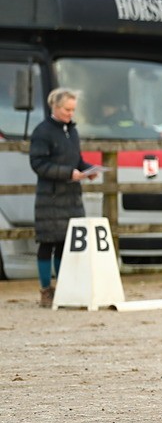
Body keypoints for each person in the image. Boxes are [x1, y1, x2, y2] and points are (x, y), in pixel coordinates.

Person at [28, 88, 98, 307]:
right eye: (67, 109)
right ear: (55, 107)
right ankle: (45, 290)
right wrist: (68, 173)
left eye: (73, 110)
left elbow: (77, 160)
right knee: (47, 244)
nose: (71, 113)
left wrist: (88, 169)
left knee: (64, 244)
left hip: (70, 196)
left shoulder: (72, 131)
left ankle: (63, 287)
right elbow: (38, 164)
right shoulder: (42, 132)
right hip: (50, 197)